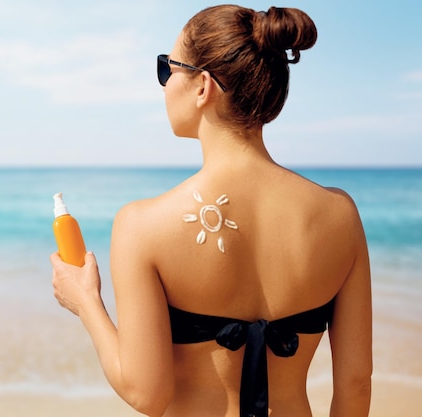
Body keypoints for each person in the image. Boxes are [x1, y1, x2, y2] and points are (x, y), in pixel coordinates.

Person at [50, 5, 372, 417]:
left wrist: (85, 301)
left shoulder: (142, 226)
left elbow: (147, 394)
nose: (164, 85)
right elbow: (355, 383)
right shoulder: (340, 215)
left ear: (203, 86)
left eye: (167, 69)